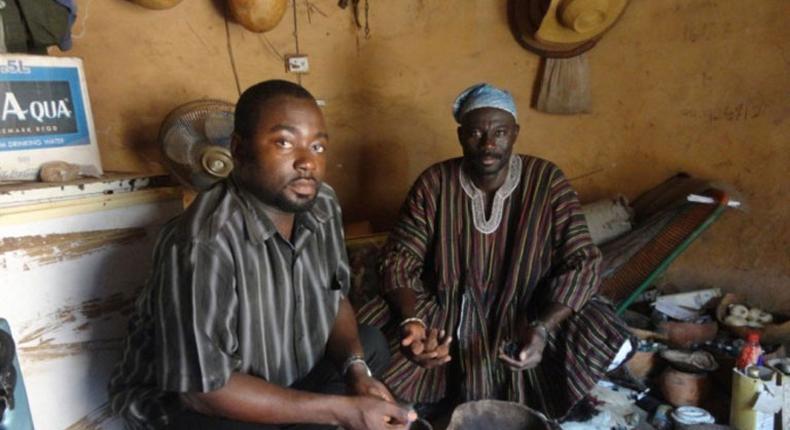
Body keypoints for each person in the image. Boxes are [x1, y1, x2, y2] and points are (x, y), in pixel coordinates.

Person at [109, 80, 415, 430]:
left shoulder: (322, 205)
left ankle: (303, 411)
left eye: (317, 146)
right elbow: (201, 390)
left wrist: (356, 373)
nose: (307, 162)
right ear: (238, 150)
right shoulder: (203, 242)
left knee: (369, 346)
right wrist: (341, 410)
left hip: (277, 375)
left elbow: (335, 298)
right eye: (284, 142)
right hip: (191, 403)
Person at [359, 83, 635, 420]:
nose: (488, 144)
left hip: (527, 309)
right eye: (476, 133)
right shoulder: (434, 183)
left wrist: (543, 327)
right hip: (447, 311)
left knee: (605, 331)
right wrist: (413, 320)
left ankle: (547, 390)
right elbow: (399, 259)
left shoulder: (546, 180)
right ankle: (425, 395)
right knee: (365, 335)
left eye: (500, 132)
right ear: (461, 136)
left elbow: (582, 262)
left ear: (515, 133)